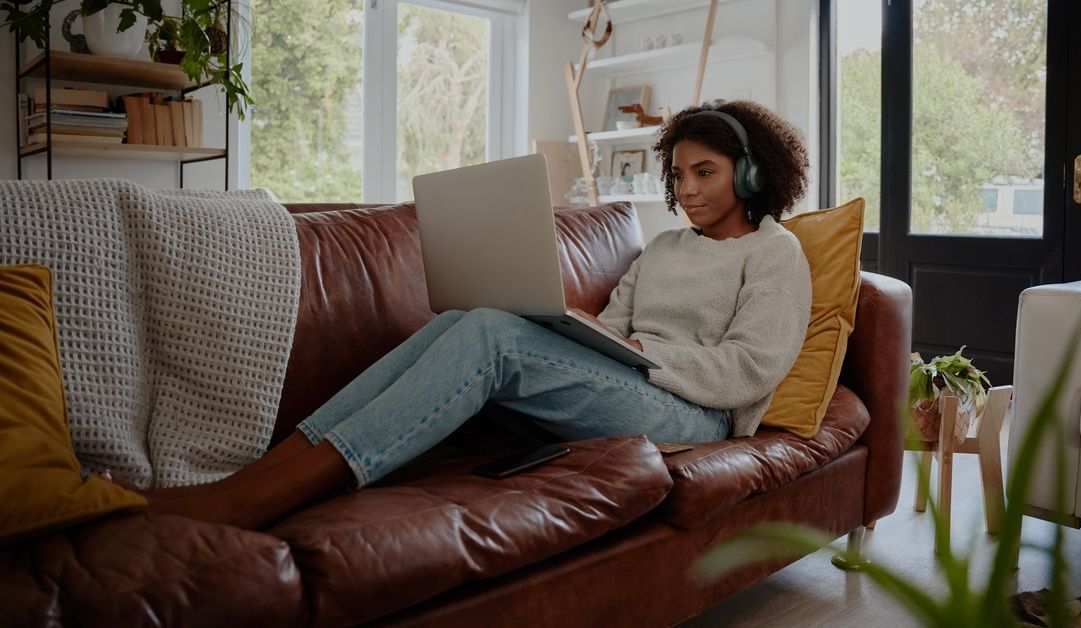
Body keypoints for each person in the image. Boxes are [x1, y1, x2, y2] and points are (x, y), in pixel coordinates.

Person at [136, 100, 814, 530]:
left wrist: (648, 354)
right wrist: (585, 328)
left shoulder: (774, 253)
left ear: (750, 176)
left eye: (706, 173)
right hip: (632, 382)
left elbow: (748, 371)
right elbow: (618, 318)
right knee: (463, 319)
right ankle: (250, 476)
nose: (687, 190)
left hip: (696, 415)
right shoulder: (665, 246)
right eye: (680, 175)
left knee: (491, 335)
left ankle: (257, 502)